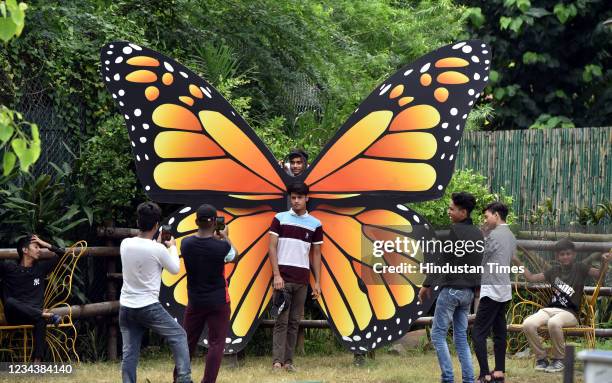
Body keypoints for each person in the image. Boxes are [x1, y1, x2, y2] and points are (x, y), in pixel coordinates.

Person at [118, 202, 192, 383]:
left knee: (129, 352)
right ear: (157, 225)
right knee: (179, 336)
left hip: (126, 306)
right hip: (148, 306)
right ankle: (184, 378)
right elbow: (174, 268)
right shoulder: (158, 249)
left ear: (138, 221)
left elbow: (144, 254)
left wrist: (157, 245)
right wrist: (172, 247)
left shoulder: (125, 243)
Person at [517, 239, 610, 373]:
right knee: (528, 324)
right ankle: (541, 358)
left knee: (553, 323)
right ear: (557, 256)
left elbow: (599, 275)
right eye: (562, 254)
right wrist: (515, 260)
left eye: (568, 254)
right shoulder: (553, 271)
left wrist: (604, 262)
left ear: (574, 255)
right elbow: (531, 278)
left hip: (570, 313)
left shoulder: (580, 268)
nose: (565, 256)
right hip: (550, 309)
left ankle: (559, 360)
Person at [419, 192, 484, 383]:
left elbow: (441, 261)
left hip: (452, 290)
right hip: (467, 293)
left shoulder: (455, 232)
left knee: (438, 335)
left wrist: (426, 285)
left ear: (463, 212)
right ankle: (468, 379)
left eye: (451, 209)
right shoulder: (478, 233)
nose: (448, 211)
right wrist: (475, 290)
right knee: (461, 338)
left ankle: (447, 378)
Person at [178, 204, 240, 383]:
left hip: (195, 300)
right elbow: (235, 256)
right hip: (219, 301)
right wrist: (225, 237)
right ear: (215, 223)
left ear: (196, 221)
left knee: (187, 342)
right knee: (216, 343)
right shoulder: (221, 247)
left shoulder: (186, 243)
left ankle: (179, 377)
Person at [269, 182, 322, 372]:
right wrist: (276, 275)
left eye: (300, 197)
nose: (296, 201)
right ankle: (277, 362)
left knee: (294, 323)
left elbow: (316, 254)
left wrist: (317, 282)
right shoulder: (279, 218)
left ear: (307, 198)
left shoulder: (315, 224)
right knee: (281, 321)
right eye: (293, 197)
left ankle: (289, 362)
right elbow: (272, 247)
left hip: (302, 281)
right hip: (281, 279)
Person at [0, 234, 64, 362]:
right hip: (15, 315)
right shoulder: (10, 268)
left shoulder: (40, 268)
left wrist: (45, 243)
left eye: (40, 247)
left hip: (34, 316)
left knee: (40, 320)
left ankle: (37, 363)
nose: (39, 249)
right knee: (10, 302)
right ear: (25, 250)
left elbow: (62, 253)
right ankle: (42, 314)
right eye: (35, 247)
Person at [472, 202, 515, 383]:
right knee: (499, 331)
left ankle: (484, 374)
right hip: (504, 288)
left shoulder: (493, 236)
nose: (485, 219)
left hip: (492, 289)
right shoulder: (511, 235)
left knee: (478, 333)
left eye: (487, 216)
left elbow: (481, 259)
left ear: (496, 215)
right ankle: (499, 371)